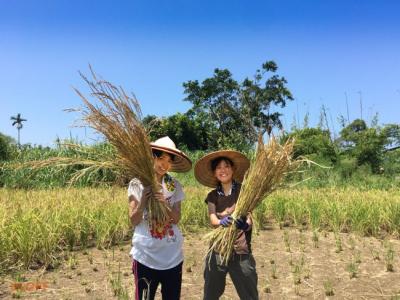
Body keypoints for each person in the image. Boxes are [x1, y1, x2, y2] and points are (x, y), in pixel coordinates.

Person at [128, 136, 192, 300]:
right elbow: (134, 220)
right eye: (161, 157)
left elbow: (176, 218)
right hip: (145, 257)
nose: (164, 164)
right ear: (152, 157)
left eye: (169, 160)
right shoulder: (138, 183)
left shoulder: (174, 185)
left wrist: (165, 203)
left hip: (172, 257)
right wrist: (143, 200)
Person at [194, 150, 259, 300]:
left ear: (233, 169)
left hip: (240, 250)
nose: (223, 170)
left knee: (249, 294)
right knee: (210, 293)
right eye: (219, 168)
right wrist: (221, 222)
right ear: (215, 172)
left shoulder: (244, 192)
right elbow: (213, 220)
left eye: (226, 166)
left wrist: (244, 225)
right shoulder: (212, 196)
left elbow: (250, 218)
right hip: (218, 250)